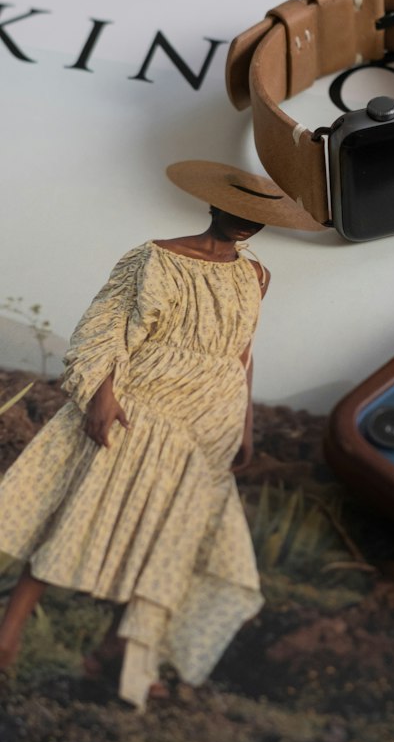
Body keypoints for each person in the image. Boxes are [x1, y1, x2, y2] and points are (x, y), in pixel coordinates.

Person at [0, 161, 324, 707]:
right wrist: (101, 393)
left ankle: (120, 657)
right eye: (239, 212)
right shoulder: (152, 258)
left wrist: (243, 424)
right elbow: (101, 328)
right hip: (144, 402)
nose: (246, 225)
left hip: (210, 420)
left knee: (169, 538)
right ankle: (7, 638)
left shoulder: (256, 275)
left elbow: (242, 353)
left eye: (259, 219)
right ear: (214, 206)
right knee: (80, 512)